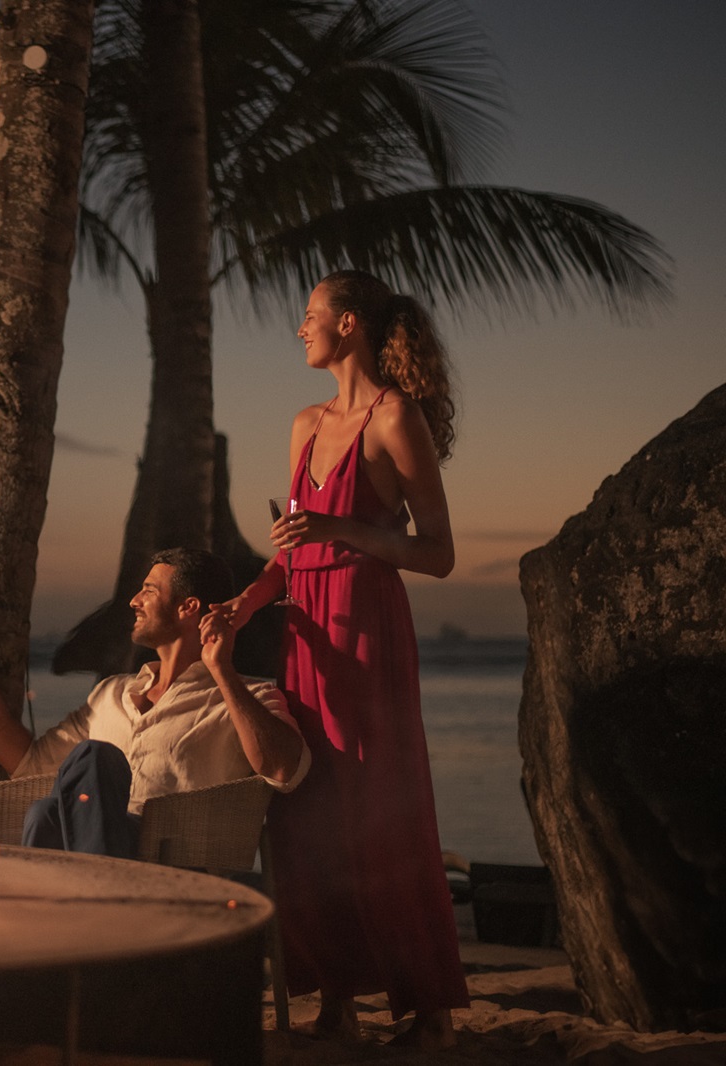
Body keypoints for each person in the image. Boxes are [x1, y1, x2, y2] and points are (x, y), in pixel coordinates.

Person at [217, 269, 468, 1049]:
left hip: (368, 634)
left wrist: (342, 532)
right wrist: (244, 605)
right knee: (308, 809)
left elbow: (438, 553)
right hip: (307, 633)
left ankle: (428, 1009)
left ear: (350, 323)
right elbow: (293, 550)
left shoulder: (395, 419)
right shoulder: (305, 423)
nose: (301, 327)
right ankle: (336, 996)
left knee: (380, 809)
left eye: (311, 314)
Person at [0, 548, 309, 858]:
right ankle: (96, 897)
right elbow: (27, 766)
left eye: (149, 590)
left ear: (187, 607)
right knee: (46, 811)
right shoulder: (112, 693)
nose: (133, 601)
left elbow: (285, 770)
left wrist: (222, 671)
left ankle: (81, 900)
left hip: (174, 864)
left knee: (94, 760)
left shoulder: (246, 696)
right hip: (94, 856)